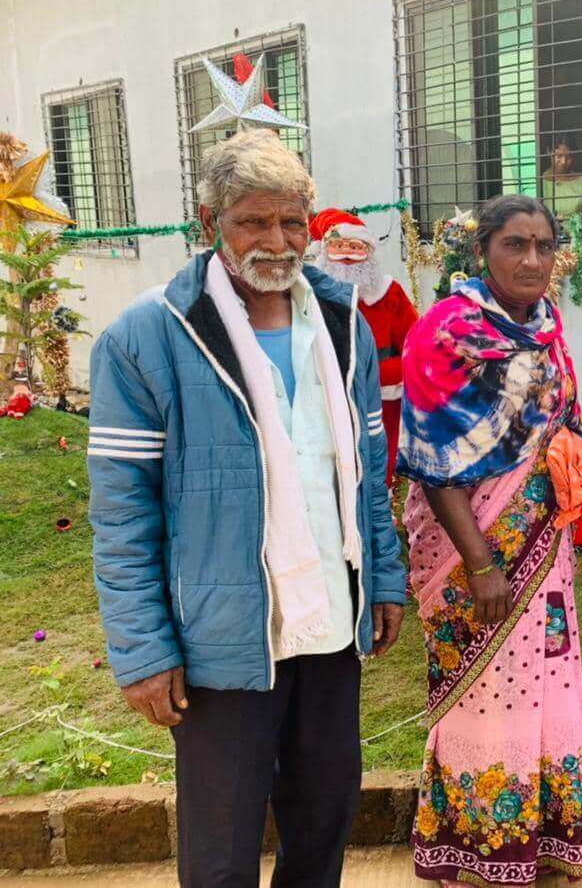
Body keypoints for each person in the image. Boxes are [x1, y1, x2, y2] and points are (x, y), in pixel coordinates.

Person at [86, 129, 406, 887]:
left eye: (292, 222)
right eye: (253, 221)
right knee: (222, 845)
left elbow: (367, 474)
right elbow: (123, 514)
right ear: (210, 224)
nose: (278, 241)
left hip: (330, 621)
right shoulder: (148, 336)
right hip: (221, 640)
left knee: (324, 814)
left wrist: (385, 579)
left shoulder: (341, 325)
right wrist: (143, 650)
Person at [399, 194, 582, 887]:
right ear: (482, 250)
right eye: (515, 244)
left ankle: (544, 835)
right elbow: (431, 462)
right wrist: (482, 564)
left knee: (548, 682)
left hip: (545, 542)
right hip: (472, 549)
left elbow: (562, 421)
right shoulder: (444, 332)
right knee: (483, 691)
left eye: (544, 246)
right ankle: (478, 844)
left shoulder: (546, 327)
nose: (532, 259)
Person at [311, 207, 419, 485]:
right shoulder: (310, 295)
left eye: (356, 247)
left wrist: (382, 374)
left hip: (384, 395)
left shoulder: (389, 293)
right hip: (328, 392)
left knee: (380, 463)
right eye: (338, 247)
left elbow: (415, 345)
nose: (347, 254)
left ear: (369, 252)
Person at [541, 135, 582, 229]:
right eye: (559, 156)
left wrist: (576, 234)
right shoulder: (540, 181)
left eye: (569, 157)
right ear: (548, 151)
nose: (564, 161)